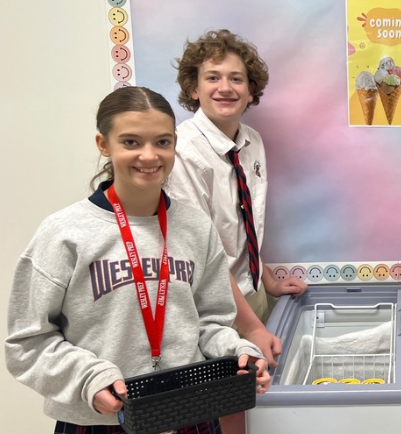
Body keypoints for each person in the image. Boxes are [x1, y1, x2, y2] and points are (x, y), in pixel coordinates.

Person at [5, 86, 270, 433]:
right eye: (131, 142)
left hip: (190, 414)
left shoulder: (195, 228)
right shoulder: (63, 234)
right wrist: (89, 379)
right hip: (101, 420)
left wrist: (237, 350)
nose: (149, 156)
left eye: (162, 142)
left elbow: (210, 322)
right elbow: (27, 343)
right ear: (104, 145)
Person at [165, 28, 306, 434]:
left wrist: (267, 280)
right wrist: (252, 327)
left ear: (250, 91)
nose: (225, 87)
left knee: (258, 406)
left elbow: (246, 222)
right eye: (213, 77)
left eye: (236, 78)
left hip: (249, 294)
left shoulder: (252, 141)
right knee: (227, 412)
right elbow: (204, 252)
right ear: (193, 89)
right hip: (210, 305)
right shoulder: (184, 151)